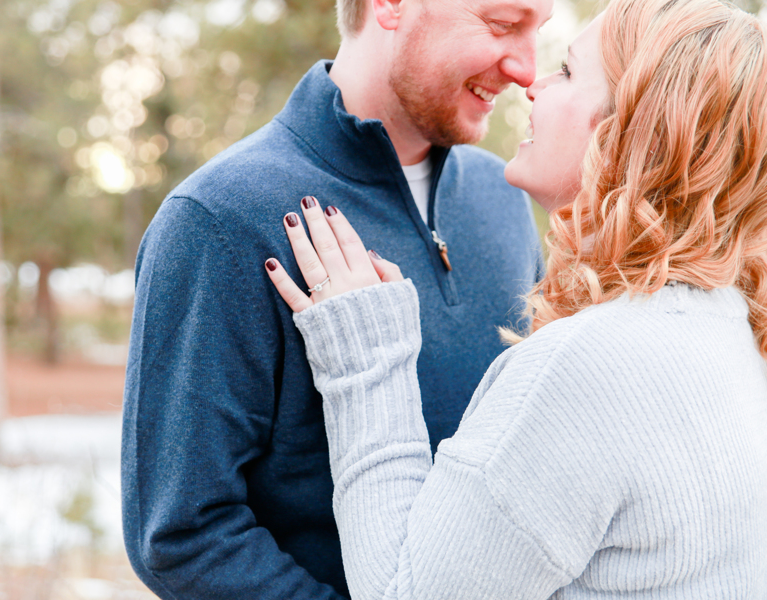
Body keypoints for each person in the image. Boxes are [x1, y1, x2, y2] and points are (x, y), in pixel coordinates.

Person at [265, 0, 767, 596]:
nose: (534, 81)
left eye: (570, 72)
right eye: (504, 26)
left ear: (629, 129)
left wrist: (368, 358)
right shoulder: (730, 323)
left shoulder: (593, 366)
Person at [121, 0, 553, 597]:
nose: (527, 70)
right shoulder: (218, 219)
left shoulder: (501, 197)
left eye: (541, 33)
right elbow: (184, 535)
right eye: (503, 25)